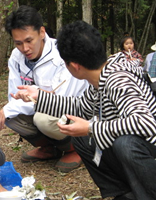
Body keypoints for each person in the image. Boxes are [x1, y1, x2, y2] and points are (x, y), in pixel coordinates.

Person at [12, 21, 156, 200]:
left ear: (74, 65)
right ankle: (124, 194)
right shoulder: (99, 79)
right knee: (82, 138)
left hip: (149, 151)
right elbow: (80, 107)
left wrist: (90, 127)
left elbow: (146, 123)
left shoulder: (118, 79)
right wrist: (39, 96)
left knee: (125, 144)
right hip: (137, 151)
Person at [0, 5, 88, 173]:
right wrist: (10, 107)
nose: (25, 49)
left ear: (42, 32)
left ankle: (75, 148)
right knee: (10, 116)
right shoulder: (16, 57)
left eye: (29, 41)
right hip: (42, 107)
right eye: (18, 43)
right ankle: (50, 148)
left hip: (72, 111)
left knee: (42, 118)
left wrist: (33, 97)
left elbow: (62, 102)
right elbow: (14, 95)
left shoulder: (62, 54)